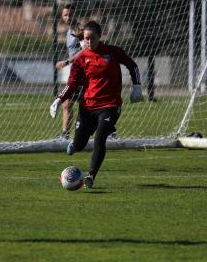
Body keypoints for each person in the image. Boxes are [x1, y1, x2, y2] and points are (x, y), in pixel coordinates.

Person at [50, 21, 143, 188]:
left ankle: (91, 176)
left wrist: (137, 87)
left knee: (100, 138)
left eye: (93, 39)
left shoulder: (112, 52)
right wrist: (58, 99)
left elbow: (133, 65)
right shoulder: (80, 59)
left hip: (110, 105)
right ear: (83, 39)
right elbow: (71, 84)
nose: (89, 42)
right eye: (86, 39)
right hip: (87, 107)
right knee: (79, 144)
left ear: (100, 37)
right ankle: (75, 143)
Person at [54, 4, 85, 140]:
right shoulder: (68, 31)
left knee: (70, 103)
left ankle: (109, 132)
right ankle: (65, 134)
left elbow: (85, 51)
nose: (68, 17)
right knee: (67, 103)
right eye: (66, 15)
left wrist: (66, 62)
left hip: (83, 72)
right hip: (76, 72)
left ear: (75, 14)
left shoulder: (79, 30)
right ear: (62, 16)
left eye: (71, 14)